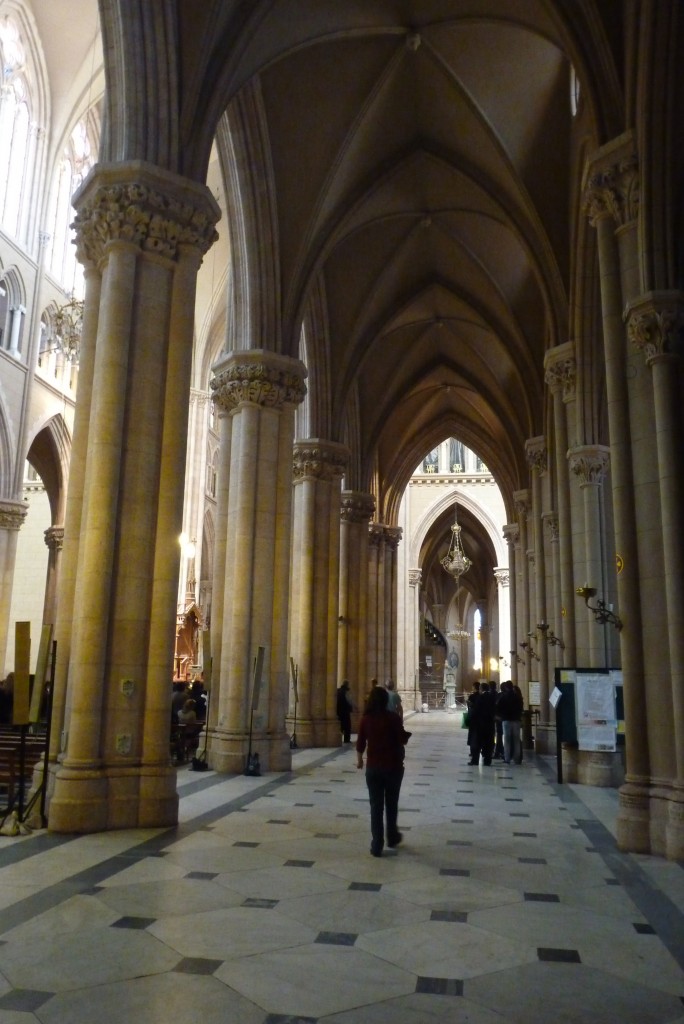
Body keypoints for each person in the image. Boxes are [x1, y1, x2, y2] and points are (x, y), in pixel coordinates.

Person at [356, 685, 408, 856]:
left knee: (376, 806)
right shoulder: (393, 718)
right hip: (393, 767)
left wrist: (359, 761)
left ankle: (377, 844)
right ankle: (392, 837)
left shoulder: (366, 719)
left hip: (373, 767)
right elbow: (402, 738)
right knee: (391, 804)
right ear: (385, 700)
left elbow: (360, 743)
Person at [497, 680, 524, 764]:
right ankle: (517, 759)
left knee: (507, 739)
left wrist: (501, 715)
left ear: (506, 687)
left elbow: (498, 706)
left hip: (506, 720)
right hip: (516, 720)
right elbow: (521, 707)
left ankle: (507, 758)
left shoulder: (504, 696)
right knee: (516, 740)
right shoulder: (518, 697)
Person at [466, 681, 481, 765]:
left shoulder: (472, 696)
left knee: (473, 738)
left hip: (473, 720)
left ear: (474, 687)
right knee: (478, 739)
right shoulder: (481, 696)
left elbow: (470, 707)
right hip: (481, 721)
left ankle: (473, 755)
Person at [490, 680, 504, 759]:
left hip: (497, 718)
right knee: (499, 735)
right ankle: (500, 751)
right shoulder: (497, 694)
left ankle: (497, 751)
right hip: (501, 718)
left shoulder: (498, 695)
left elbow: (496, 706)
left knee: (497, 735)